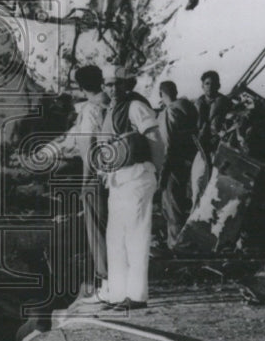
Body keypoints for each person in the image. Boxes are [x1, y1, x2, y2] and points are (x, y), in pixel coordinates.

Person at [97, 65, 164, 310]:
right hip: (117, 180)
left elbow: (155, 140)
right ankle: (117, 294)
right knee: (116, 238)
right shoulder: (110, 110)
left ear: (128, 85)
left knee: (136, 235)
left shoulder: (136, 107)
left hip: (137, 176)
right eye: (108, 84)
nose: (113, 89)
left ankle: (136, 296)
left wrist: (156, 170)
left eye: (118, 84)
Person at [50, 65, 109, 301]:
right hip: (111, 174)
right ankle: (110, 280)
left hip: (95, 175)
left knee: (97, 230)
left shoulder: (93, 109)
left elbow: (90, 146)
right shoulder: (108, 104)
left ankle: (106, 282)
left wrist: (86, 180)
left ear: (82, 87)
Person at [157, 80, 198, 249]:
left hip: (172, 164)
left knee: (172, 205)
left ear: (161, 94)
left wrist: (162, 173)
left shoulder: (169, 112)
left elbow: (167, 144)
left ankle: (177, 244)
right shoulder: (189, 109)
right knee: (182, 202)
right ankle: (182, 240)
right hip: (188, 161)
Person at [191, 70, 230, 201]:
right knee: (197, 182)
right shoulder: (197, 105)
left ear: (218, 85)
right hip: (201, 149)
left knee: (215, 186)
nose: (209, 86)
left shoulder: (225, 103)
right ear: (202, 86)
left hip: (219, 149)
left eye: (213, 84)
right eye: (207, 83)